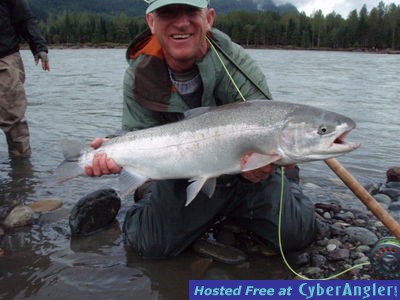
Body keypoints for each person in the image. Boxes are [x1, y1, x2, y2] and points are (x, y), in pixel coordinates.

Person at [84, 0, 316, 258]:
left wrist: (268, 166)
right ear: (151, 22)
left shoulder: (236, 62)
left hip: (246, 176)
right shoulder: (139, 74)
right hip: (182, 176)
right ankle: (152, 204)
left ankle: (287, 185)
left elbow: (270, 126)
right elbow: (139, 135)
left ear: (209, 18)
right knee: (148, 245)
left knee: (298, 234)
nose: (181, 22)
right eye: (168, 13)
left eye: (191, 12)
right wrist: (115, 152)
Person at [0, 0, 50, 158]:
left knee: (13, 121)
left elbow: (25, 18)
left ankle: (22, 176)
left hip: (4, 57)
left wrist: (39, 47)